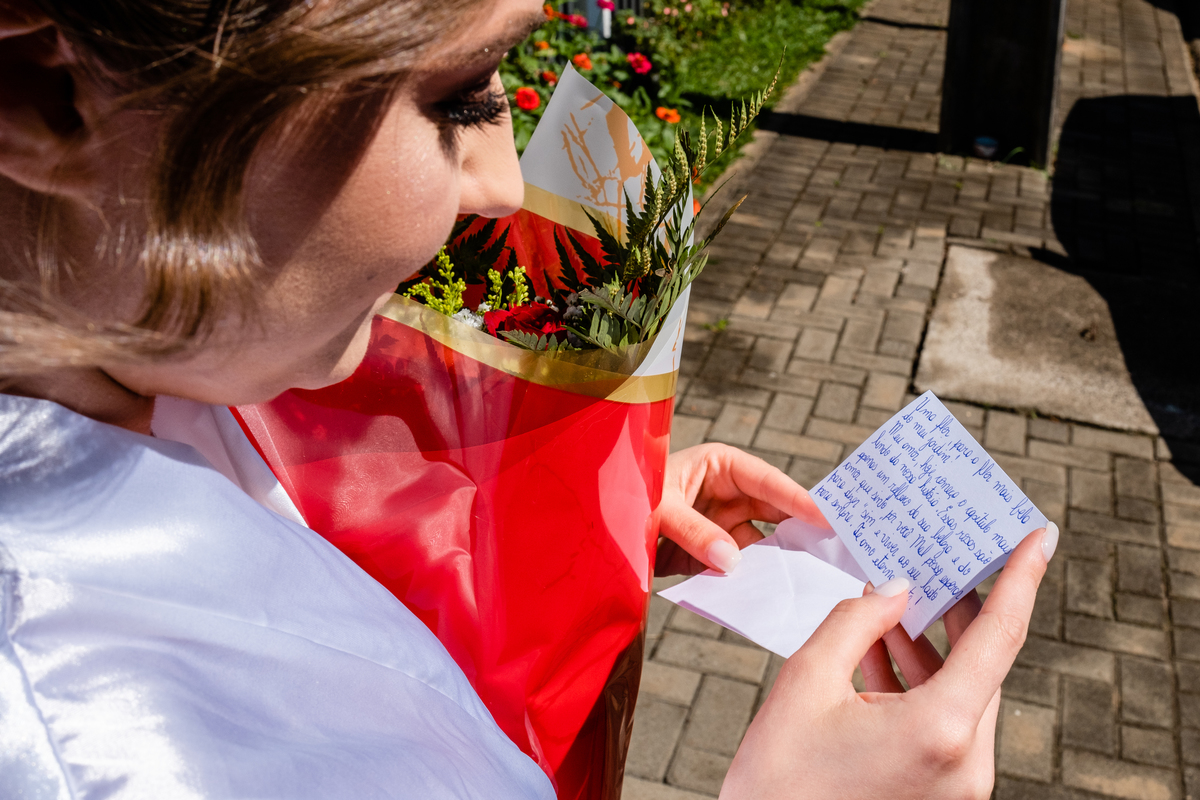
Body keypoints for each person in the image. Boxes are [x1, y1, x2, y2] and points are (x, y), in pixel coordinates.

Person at [0, 0, 1056, 797]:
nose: (502, 182)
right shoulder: (69, 724)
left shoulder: (164, 379)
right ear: (45, 95)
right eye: (459, 96)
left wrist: (563, 532)